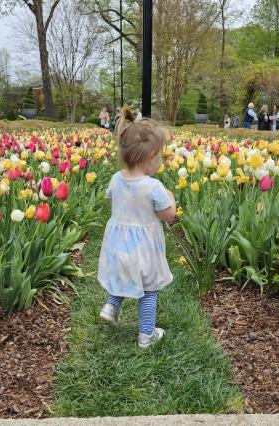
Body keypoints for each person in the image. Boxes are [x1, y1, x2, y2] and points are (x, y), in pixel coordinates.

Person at [98, 106, 176, 348]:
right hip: (144, 248)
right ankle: (146, 335)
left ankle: (111, 306)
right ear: (151, 156)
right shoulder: (153, 186)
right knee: (149, 289)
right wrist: (170, 197)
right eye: (160, 156)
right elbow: (168, 216)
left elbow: (111, 198)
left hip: (118, 244)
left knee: (123, 276)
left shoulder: (116, 178)